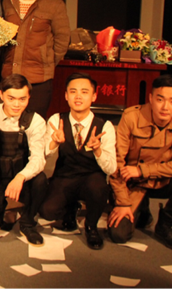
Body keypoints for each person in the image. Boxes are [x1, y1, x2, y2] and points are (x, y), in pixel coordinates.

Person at [108, 75, 172, 251]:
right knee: (118, 234)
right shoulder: (131, 116)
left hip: (162, 180)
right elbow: (116, 162)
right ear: (150, 98)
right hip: (132, 182)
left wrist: (143, 170)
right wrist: (123, 203)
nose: (165, 107)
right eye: (160, 99)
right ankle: (141, 209)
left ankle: (165, 224)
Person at [41, 72, 116, 250]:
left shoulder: (105, 126)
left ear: (94, 96)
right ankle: (70, 208)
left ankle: (91, 226)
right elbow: (43, 156)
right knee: (47, 211)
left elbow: (111, 168)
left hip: (92, 177)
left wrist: (98, 150)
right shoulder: (56, 120)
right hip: (65, 176)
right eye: (73, 91)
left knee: (98, 189)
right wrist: (54, 143)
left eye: (84, 92)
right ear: (66, 96)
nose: (78, 96)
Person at [1, 0, 70, 117]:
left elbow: (62, 39)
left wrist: (48, 61)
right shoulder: (8, 1)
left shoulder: (54, 4)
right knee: (9, 122)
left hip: (39, 78)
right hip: (11, 74)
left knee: (35, 122)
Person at [0, 74, 48, 246]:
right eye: (11, 98)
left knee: (41, 181)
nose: (16, 104)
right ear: (1, 94)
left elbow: (38, 159)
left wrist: (20, 177)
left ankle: (27, 223)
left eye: (22, 99)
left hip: (21, 176)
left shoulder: (36, 121)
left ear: (29, 97)